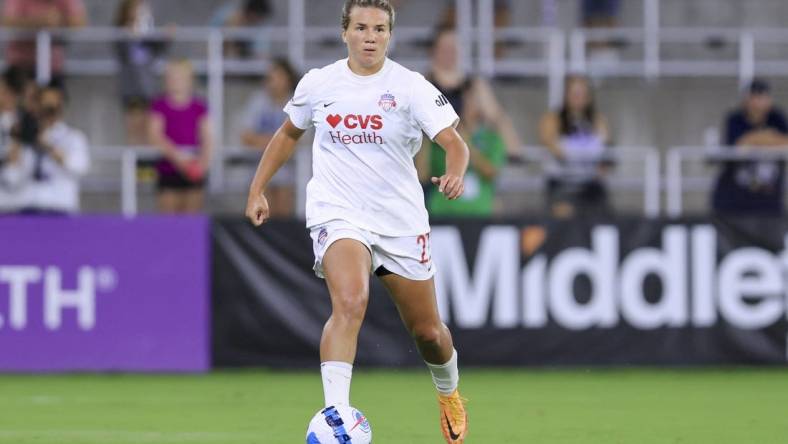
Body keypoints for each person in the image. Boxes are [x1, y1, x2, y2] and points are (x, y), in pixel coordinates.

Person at [244, 1, 470, 442]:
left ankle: (449, 391)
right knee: (350, 301)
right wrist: (257, 188)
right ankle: (336, 418)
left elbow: (453, 142)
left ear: (390, 34)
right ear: (345, 31)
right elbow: (288, 133)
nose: (371, 36)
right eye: (362, 27)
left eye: (380, 29)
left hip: (399, 219)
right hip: (338, 211)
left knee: (429, 333)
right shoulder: (320, 83)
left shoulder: (410, 87)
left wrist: (456, 170)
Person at [418, 26, 520, 217]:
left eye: (454, 48)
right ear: (435, 50)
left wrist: (513, 147)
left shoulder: (472, 84)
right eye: (445, 48)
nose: (450, 53)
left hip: (464, 142)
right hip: (434, 147)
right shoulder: (423, 83)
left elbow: (496, 115)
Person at [2, 83, 89, 214]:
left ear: (61, 107)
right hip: (27, 208)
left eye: (52, 108)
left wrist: (48, 147)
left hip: (61, 208)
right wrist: (17, 144)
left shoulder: (73, 138)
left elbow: (79, 168)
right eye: (43, 107)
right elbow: (12, 179)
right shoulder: (26, 139)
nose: (47, 114)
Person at [539, 74, 611, 219]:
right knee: (563, 216)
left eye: (582, 94)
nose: (578, 98)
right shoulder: (553, 119)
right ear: (566, 95)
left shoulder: (597, 120)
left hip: (590, 183)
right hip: (562, 181)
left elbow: (606, 150)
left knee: (600, 217)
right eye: (574, 93)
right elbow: (551, 145)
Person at [712, 79, 788, 215]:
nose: (757, 102)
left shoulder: (777, 117)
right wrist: (769, 137)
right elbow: (739, 144)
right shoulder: (735, 119)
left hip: (769, 204)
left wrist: (755, 139)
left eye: (762, 97)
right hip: (734, 203)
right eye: (754, 97)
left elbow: (784, 141)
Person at [148, 59, 213, 213]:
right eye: (172, 77)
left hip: (194, 167)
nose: (176, 81)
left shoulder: (199, 106)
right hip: (168, 168)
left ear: (189, 79)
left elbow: (208, 137)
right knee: (169, 220)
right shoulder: (159, 105)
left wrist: (203, 163)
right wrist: (179, 158)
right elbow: (155, 136)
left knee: (192, 219)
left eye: (180, 77)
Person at [239, 57, 299, 217]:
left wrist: (274, 145)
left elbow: (303, 139)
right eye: (271, 77)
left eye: (278, 76)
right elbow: (245, 135)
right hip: (259, 166)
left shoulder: (297, 101)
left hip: (288, 168)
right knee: (263, 212)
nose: (273, 82)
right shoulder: (258, 101)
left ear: (288, 78)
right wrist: (277, 144)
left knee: (284, 213)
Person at [114, 0, 171, 145]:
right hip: (132, 89)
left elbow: (158, 50)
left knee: (151, 130)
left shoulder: (148, 33)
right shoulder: (121, 33)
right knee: (134, 128)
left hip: (150, 88)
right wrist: (133, 32)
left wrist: (166, 38)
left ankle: (146, 165)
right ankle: (133, 164)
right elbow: (122, 51)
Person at [1, 0, 87, 78]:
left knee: (50, 93)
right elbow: (7, 22)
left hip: (53, 66)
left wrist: (59, 21)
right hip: (19, 65)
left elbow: (79, 22)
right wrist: (39, 22)